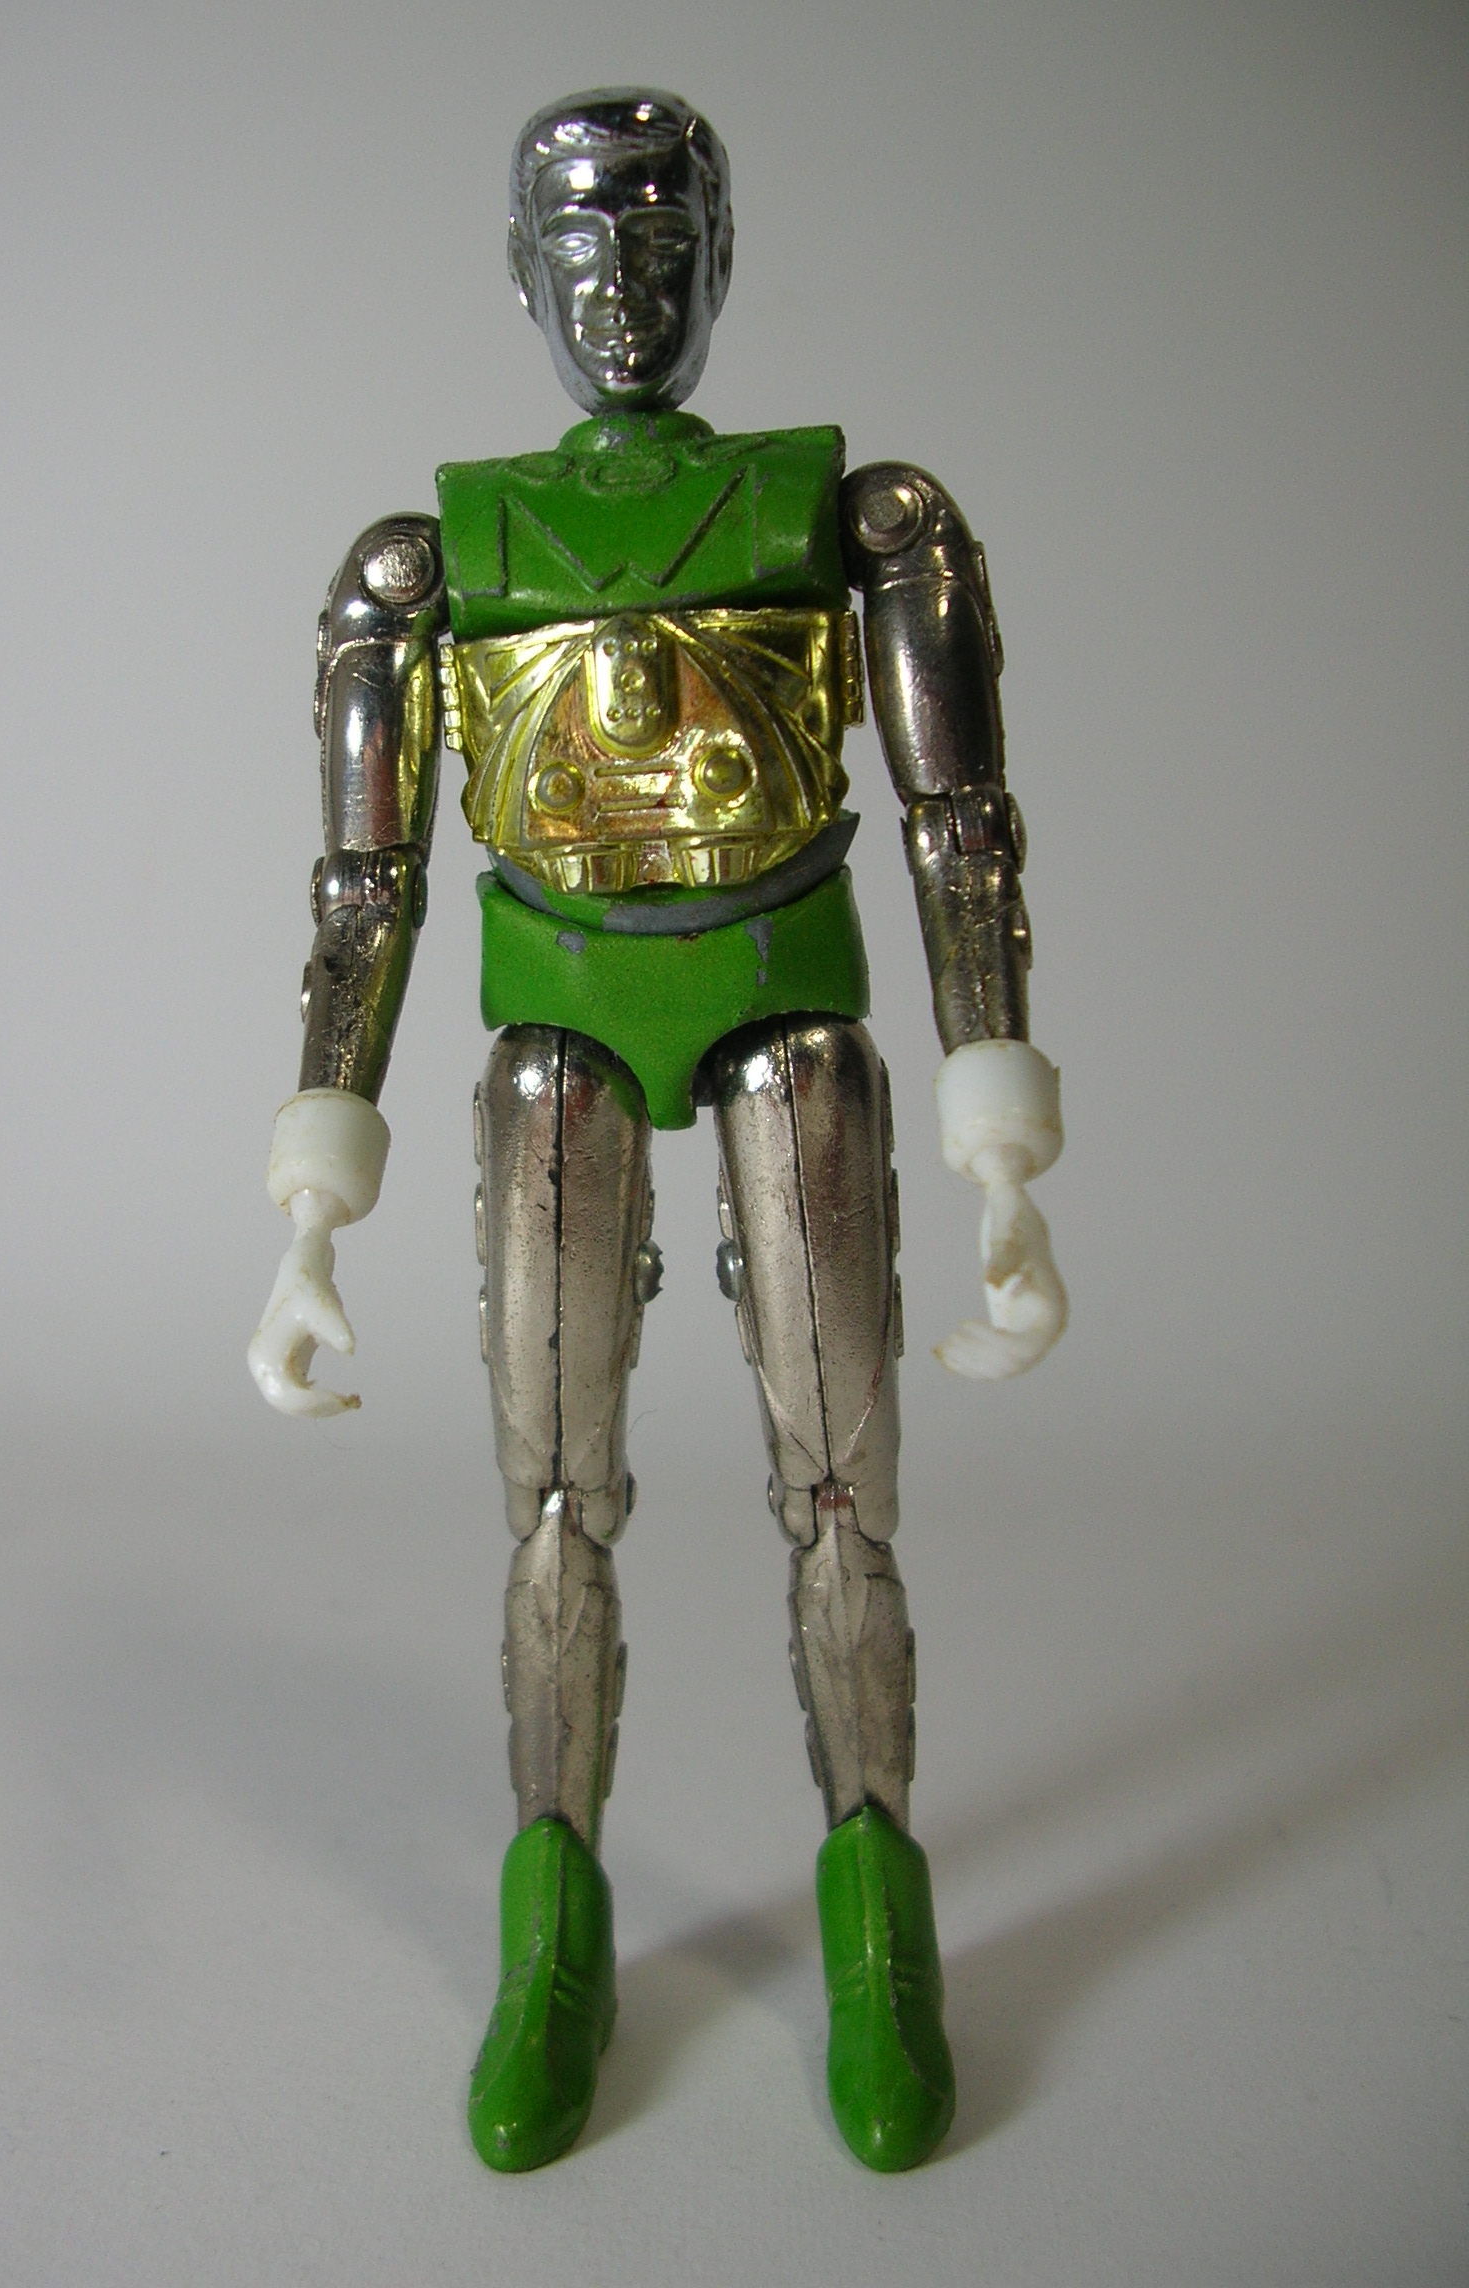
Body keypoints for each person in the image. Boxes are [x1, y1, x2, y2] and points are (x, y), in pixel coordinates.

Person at [250, 87, 1067, 2173]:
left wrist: (997, 1111)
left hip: (791, 1006)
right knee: (551, 1497)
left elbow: (959, 819)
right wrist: (315, 1182)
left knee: (841, 1493)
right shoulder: (431, 561)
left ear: (723, 258)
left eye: (663, 236)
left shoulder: (851, 517)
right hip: (558, 1032)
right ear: (522, 278)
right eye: (581, 245)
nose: (624, 286)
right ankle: (555, 1921)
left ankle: (876, 1911)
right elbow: (367, 886)